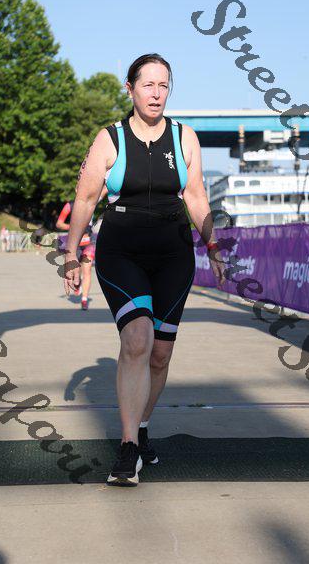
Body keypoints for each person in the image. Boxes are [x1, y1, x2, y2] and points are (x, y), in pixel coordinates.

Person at [63, 53, 225, 486]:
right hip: (122, 252)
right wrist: (71, 253)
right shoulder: (109, 138)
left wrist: (212, 245)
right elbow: (85, 199)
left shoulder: (184, 137)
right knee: (137, 339)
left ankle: (143, 425)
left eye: (163, 85)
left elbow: (196, 197)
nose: (156, 93)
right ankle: (128, 447)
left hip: (174, 254)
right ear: (130, 88)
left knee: (160, 353)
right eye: (148, 85)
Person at [57, 187, 107, 309]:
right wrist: (74, 226)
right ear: (76, 190)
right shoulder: (70, 205)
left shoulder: (93, 201)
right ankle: (77, 282)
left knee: (87, 270)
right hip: (75, 242)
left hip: (89, 241)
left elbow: (105, 189)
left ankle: (84, 299)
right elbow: (59, 223)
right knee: (77, 269)